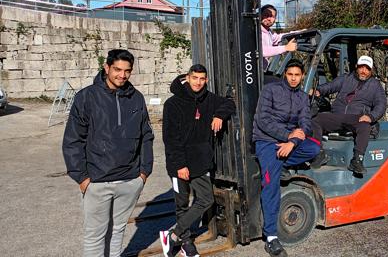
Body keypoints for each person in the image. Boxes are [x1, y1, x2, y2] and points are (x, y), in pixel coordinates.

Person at [62, 49, 154, 257]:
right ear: (106, 67)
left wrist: (143, 173)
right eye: (117, 70)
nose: (122, 75)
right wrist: (82, 178)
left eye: (127, 71)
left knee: (117, 232)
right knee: (95, 236)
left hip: (130, 180)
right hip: (97, 181)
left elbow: (146, 136)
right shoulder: (86, 97)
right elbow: (73, 140)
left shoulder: (136, 98)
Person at [159, 64, 236, 257]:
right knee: (182, 204)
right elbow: (170, 139)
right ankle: (186, 242)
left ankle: (172, 233)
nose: (198, 83)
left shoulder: (209, 99)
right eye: (195, 78)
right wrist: (179, 165)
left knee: (206, 199)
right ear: (188, 77)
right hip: (180, 163)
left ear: (206, 80)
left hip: (200, 162)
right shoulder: (173, 103)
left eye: (202, 79)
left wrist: (219, 115)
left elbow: (230, 103)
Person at [253, 59, 323, 257]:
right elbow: (263, 120)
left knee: (314, 148)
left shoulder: (302, 97)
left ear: (302, 77)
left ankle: (281, 162)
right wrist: (288, 137)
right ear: (285, 74)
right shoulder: (270, 90)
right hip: (267, 141)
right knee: (271, 185)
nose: (293, 78)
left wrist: (292, 142)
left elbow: (306, 124)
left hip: (289, 142)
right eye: (290, 74)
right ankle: (271, 237)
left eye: (297, 75)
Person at [311, 56, 387, 174]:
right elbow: (330, 86)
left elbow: (381, 105)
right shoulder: (346, 78)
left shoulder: (375, 86)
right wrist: (318, 90)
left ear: (371, 71)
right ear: (356, 66)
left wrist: (370, 116)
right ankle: (318, 153)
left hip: (356, 118)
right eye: (361, 67)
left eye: (367, 69)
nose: (363, 71)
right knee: (315, 119)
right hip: (337, 116)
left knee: (365, 125)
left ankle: (357, 159)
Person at [260, 4, 297, 70]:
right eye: (266, 15)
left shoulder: (269, 32)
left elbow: (280, 37)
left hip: (262, 71)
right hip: (253, 74)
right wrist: (286, 48)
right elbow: (262, 51)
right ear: (260, 15)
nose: (269, 18)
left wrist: (300, 32)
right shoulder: (256, 31)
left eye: (272, 16)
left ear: (275, 19)